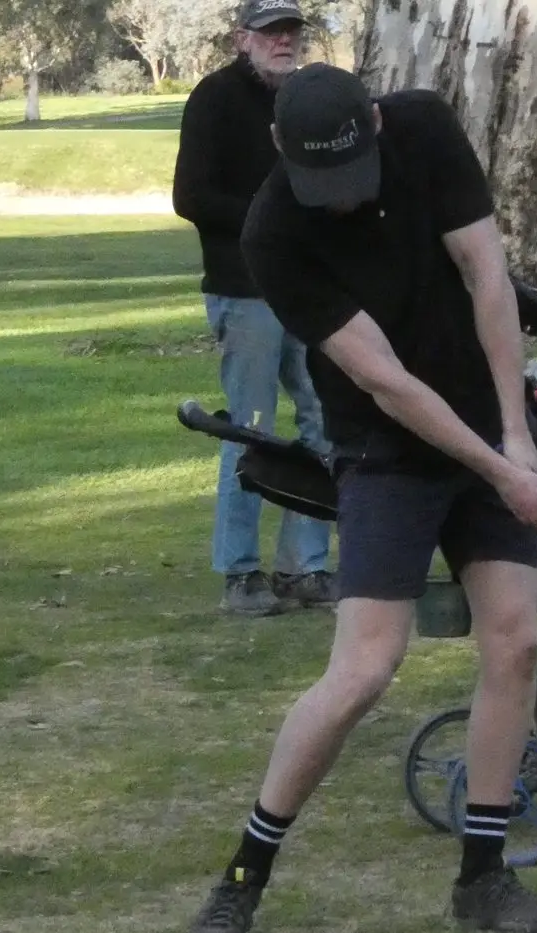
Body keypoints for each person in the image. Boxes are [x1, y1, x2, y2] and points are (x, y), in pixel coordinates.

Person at [186, 62, 537, 933]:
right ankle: (243, 879)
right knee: (364, 667)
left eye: (354, 177)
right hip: (385, 446)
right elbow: (387, 382)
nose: (345, 202)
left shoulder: (427, 128)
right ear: (281, 150)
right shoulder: (273, 233)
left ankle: (483, 880)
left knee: (512, 640)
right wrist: (501, 468)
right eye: (325, 185)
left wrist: (516, 433)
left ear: (378, 129)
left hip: (485, 417)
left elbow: (487, 277)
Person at [173, 0, 337, 617]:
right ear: (243, 38)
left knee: (326, 421)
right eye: (271, 32)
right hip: (246, 294)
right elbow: (190, 197)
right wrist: (267, 225)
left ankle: (307, 569)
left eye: (292, 31)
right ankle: (240, 575)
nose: (284, 41)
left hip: (310, 292)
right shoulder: (214, 99)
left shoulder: (307, 100)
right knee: (251, 428)